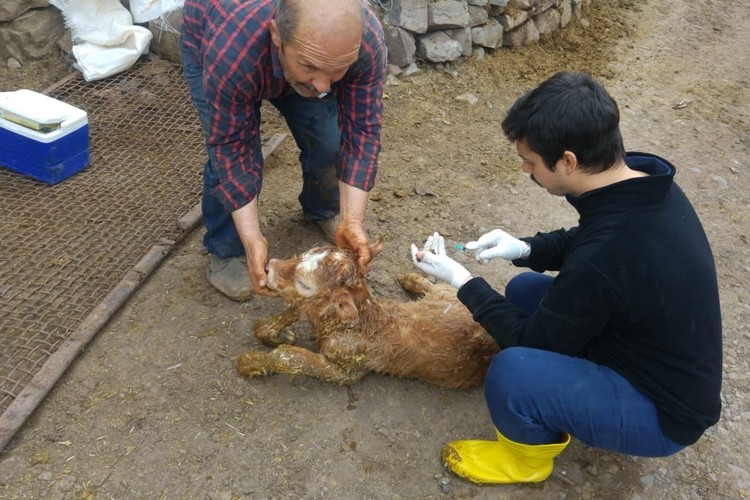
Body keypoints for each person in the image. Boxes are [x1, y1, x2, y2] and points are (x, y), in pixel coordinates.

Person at [411, 71, 722, 484]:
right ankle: (569, 395)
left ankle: (526, 462)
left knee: (513, 371)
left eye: (531, 161)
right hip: (645, 351)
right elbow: (589, 238)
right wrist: (525, 248)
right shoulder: (644, 185)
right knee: (523, 289)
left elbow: (529, 341)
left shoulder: (608, 255)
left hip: (663, 412)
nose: (525, 169)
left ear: (568, 161)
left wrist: (463, 280)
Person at [180, 0, 386, 301]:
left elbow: (362, 130)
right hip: (220, 39)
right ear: (276, 34)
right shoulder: (232, 52)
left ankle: (324, 209)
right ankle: (228, 248)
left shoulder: (364, 41)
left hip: (293, 51)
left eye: (338, 70)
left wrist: (352, 219)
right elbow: (231, 146)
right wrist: (252, 237)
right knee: (223, 159)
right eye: (310, 66)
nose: (322, 86)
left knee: (330, 140)